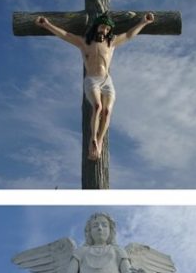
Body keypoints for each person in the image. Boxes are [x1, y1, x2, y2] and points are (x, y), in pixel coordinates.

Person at [35, 11, 154, 161]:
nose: (104, 30)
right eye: (102, 27)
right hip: (92, 80)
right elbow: (65, 35)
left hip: (106, 80)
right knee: (97, 106)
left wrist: (143, 22)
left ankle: (100, 140)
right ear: (96, 27)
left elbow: (130, 34)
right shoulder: (85, 43)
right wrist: (46, 24)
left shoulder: (112, 43)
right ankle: (93, 138)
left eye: (107, 28)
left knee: (107, 111)